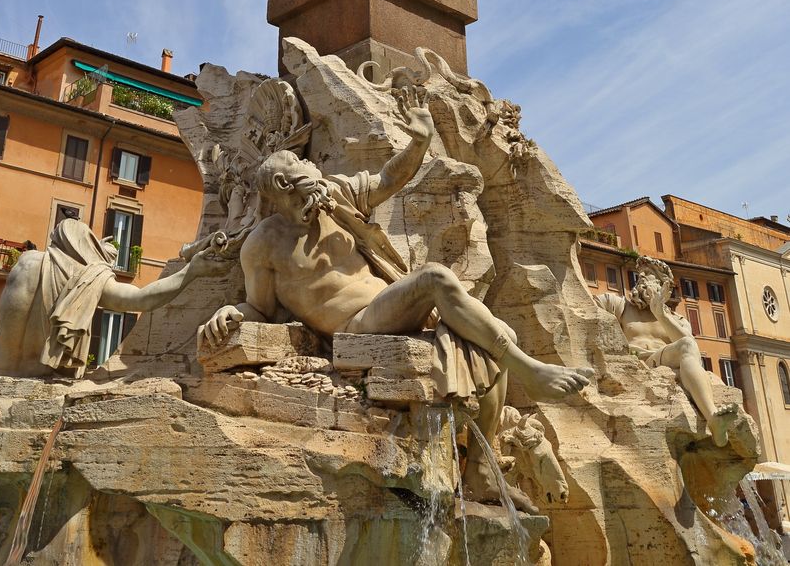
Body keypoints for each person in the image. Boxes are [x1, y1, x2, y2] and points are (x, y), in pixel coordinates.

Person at [200, 89, 591, 501]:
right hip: (356, 328)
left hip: (392, 307)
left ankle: (479, 467)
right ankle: (528, 370)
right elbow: (259, 306)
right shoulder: (262, 245)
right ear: (280, 188)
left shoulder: (334, 196)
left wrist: (419, 141)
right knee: (436, 277)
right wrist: (231, 310)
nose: (310, 184)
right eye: (298, 180)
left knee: (491, 333)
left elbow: (388, 179)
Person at [0, 218, 228, 378]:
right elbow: (141, 299)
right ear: (87, 249)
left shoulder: (27, 262)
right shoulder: (87, 278)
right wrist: (191, 271)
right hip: (43, 381)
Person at [596, 256, 735, 446]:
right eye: (640, 275)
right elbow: (585, 308)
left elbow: (690, 348)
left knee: (687, 344)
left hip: (661, 361)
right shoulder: (619, 305)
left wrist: (660, 313)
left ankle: (713, 419)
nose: (642, 278)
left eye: (649, 275)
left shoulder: (677, 320)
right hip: (631, 364)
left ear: (664, 286)